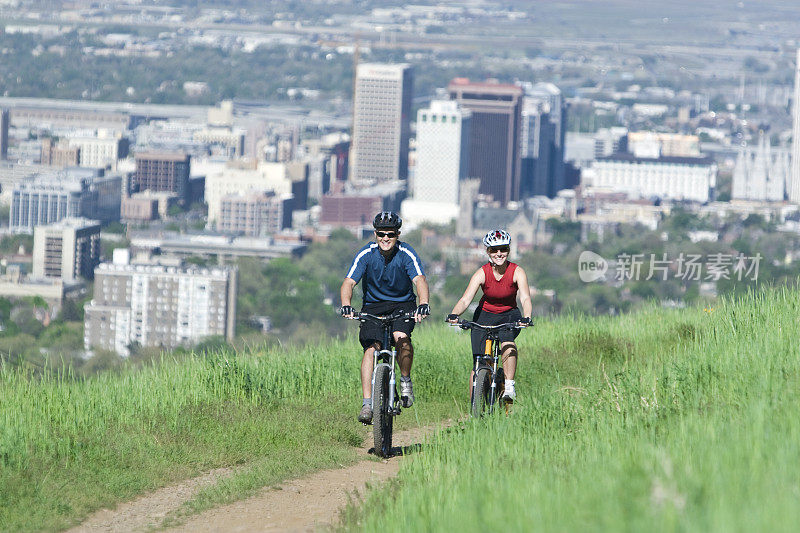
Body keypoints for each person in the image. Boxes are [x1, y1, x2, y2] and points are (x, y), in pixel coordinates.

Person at [340, 211, 430, 424]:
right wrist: (346, 305)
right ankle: (367, 403)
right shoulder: (367, 254)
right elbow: (349, 283)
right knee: (371, 348)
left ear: (398, 234)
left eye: (390, 234)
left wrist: (423, 304)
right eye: (381, 234)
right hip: (373, 306)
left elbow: (419, 280)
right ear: (375, 234)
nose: (385, 238)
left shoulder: (406, 253)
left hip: (403, 305)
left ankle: (405, 380)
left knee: (401, 338)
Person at [447, 229, 532, 401]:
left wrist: (527, 316)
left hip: (509, 315)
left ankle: (509, 386)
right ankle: (474, 410)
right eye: (494, 250)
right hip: (484, 315)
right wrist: (454, 314)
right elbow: (465, 299)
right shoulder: (482, 273)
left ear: (508, 250)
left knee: (507, 343)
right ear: (488, 252)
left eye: (503, 249)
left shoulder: (517, 271)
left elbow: (525, 297)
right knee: (477, 363)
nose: (499, 253)